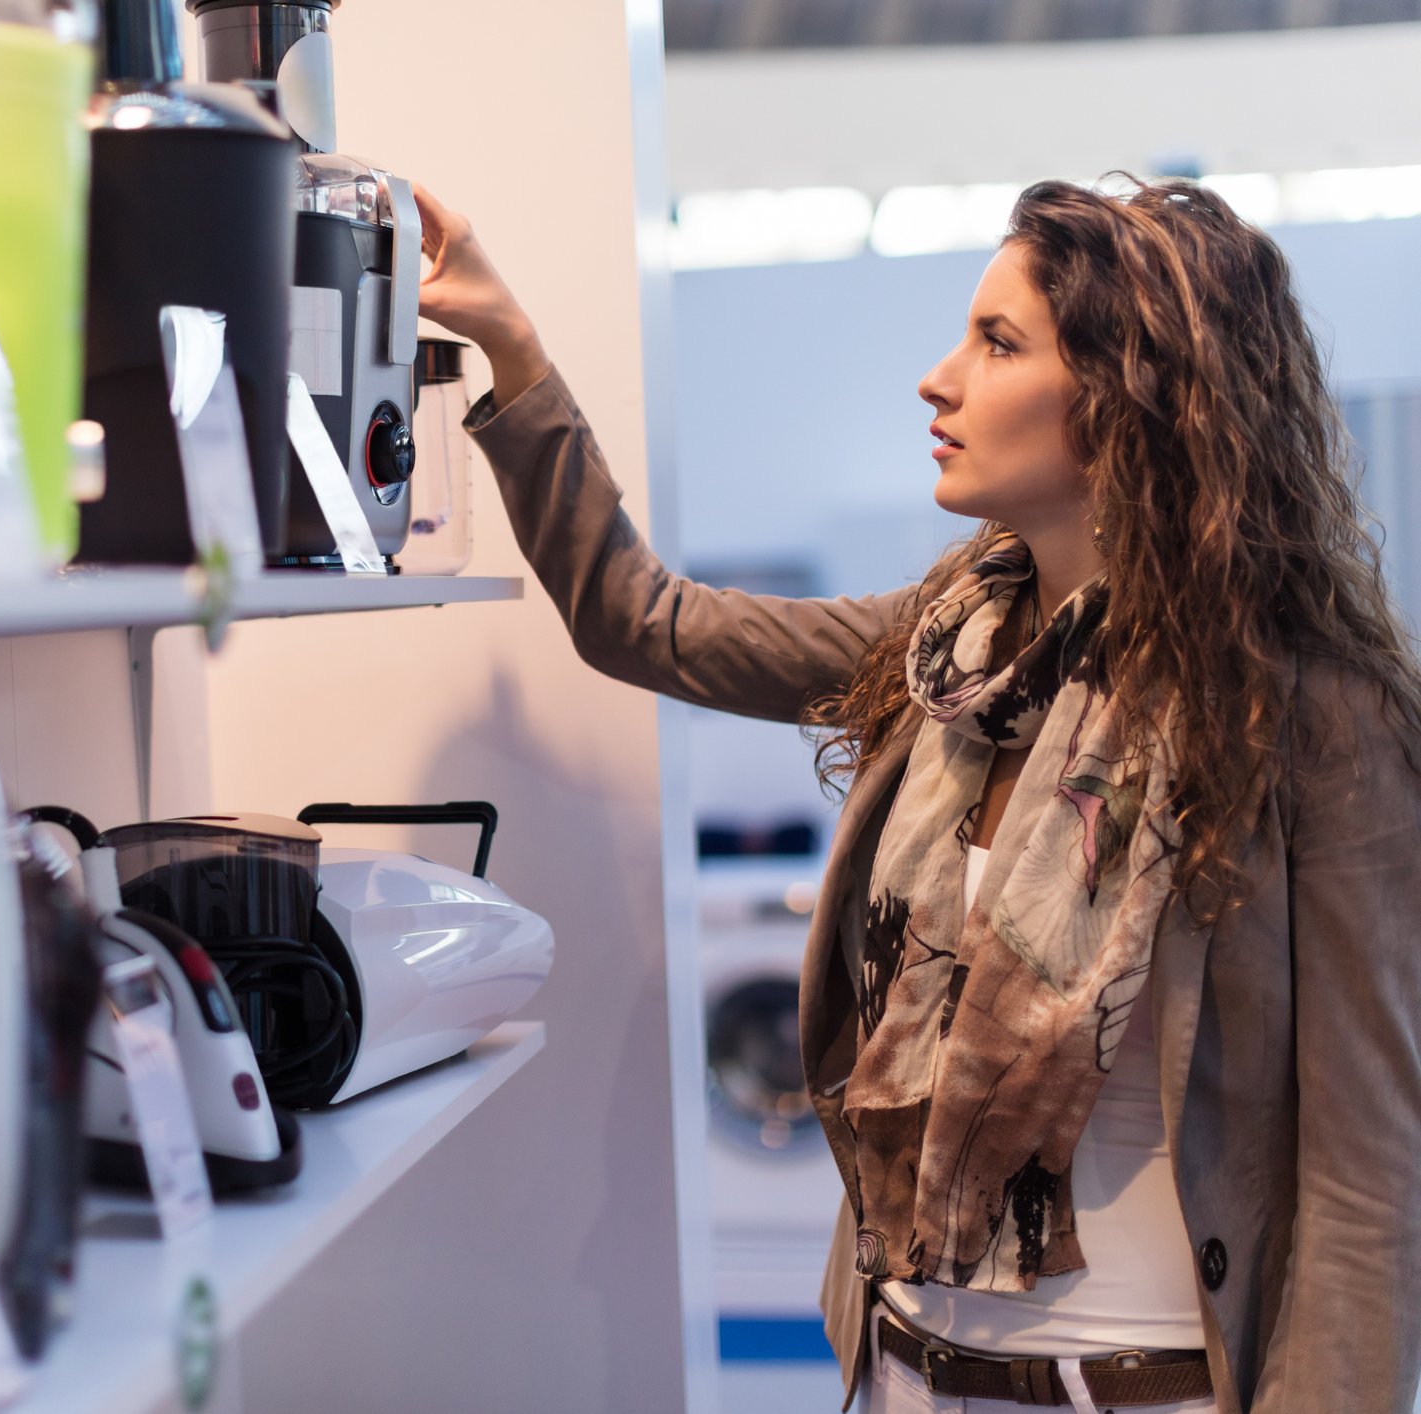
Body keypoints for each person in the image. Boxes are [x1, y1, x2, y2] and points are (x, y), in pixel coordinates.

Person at [413, 175, 1421, 1414]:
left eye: (997, 344)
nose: (938, 379)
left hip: (1145, 1388)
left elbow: (1371, 1175)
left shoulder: (1313, 712)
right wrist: (511, 345)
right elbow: (645, 619)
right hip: (904, 1372)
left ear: (1126, 397)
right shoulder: (948, 648)